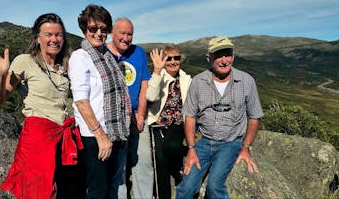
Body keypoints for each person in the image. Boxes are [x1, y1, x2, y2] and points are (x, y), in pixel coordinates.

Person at [0, 13, 85, 199]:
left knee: (64, 191)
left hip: (62, 139)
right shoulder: (25, 61)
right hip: (38, 140)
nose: (54, 39)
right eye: (48, 34)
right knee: (37, 192)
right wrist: (2, 75)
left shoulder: (64, 65)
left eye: (59, 34)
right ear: (38, 38)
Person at [175, 36, 264, 199]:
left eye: (227, 54)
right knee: (186, 188)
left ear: (233, 56)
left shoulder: (246, 81)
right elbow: (189, 116)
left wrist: (245, 148)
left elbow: (254, 116)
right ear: (209, 58)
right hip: (203, 141)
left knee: (214, 186)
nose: (224, 60)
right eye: (218, 55)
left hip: (230, 143)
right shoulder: (198, 82)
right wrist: (191, 149)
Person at [68, 5, 132, 199]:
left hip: (114, 133)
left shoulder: (107, 56)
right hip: (95, 137)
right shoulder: (80, 57)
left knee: (108, 188)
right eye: (93, 29)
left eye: (103, 29)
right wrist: (100, 136)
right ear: (84, 29)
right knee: (97, 191)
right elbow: (81, 101)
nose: (98, 33)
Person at [105, 17, 151, 199]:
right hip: (115, 119)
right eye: (122, 33)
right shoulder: (103, 54)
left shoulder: (138, 52)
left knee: (144, 164)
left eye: (129, 34)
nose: (126, 37)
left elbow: (144, 85)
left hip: (138, 115)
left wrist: (140, 115)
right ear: (112, 33)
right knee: (119, 168)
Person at [146, 45, 192, 199]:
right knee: (160, 161)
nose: (173, 61)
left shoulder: (186, 79)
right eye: (169, 58)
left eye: (176, 58)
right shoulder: (157, 77)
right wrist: (157, 72)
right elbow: (150, 97)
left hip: (178, 124)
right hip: (157, 124)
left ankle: (182, 161)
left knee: (171, 146)